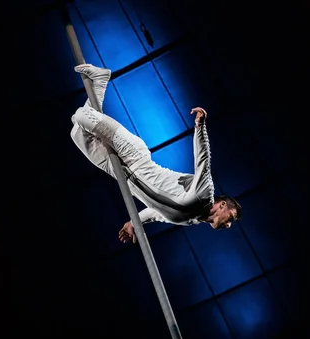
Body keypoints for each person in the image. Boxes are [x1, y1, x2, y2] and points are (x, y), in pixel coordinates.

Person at [70, 63, 242, 244]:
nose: (228, 225)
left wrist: (134, 223)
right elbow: (203, 160)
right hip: (134, 156)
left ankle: (99, 80)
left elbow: (155, 213)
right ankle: (101, 81)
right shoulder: (205, 194)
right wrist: (201, 127)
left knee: (77, 132)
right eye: (230, 218)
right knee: (81, 117)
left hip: (120, 174)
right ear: (222, 205)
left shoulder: (188, 220)